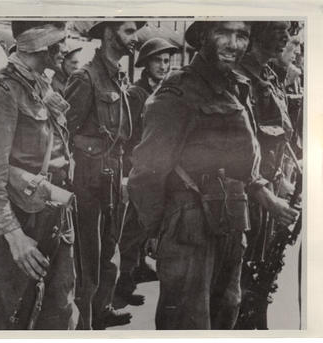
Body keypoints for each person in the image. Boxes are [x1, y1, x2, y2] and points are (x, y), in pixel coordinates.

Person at [128, 21, 297, 329]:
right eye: (224, 33)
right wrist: (156, 232)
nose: (234, 43)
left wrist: (267, 197)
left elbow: (241, 161)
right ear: (204, 36)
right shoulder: (178, 91)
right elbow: (146, 173)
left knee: (225, 317)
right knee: (188, 324)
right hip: (189, 230)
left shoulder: (234, 86)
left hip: (231, 222)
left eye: (242, 35)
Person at [0, 21, 78, 330]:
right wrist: (14, 237)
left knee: (58, 316)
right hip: (22, 224)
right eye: (60, 41)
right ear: (43, 45)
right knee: (19, 321)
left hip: (53, 216)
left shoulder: (38, 84)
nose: (65, 49)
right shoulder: (2, 91)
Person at [64, 20, 145, 330]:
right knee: (88, 254)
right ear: (109, 34)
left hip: (113, 172)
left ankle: (102, 308)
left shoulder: (116, 75)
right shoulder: (85, 77)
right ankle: (83, 324)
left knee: (110, 246)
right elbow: (64, 132)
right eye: (128, 31)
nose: (134, 38)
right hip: (89, 177)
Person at [235, 21, 301, 330]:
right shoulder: (240, 76)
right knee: (240, 271)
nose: (286, 37)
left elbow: (281, 134)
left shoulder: (269, 75)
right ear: (258, 32)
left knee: (261, 266)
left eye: (288, 30)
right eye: (278, 29)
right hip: (247, 190)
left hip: (270, 186)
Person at [115, 37, 178, 306]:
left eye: (167, 61)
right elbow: (128, 135)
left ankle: (137, 269)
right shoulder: (136, 94)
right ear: (145, 64)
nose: (164, 66)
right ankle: (120, 288)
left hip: (157, 169)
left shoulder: (166, 91)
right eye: (158, 61)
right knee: (129, 232)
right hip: (137, 168)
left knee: (146, 226)